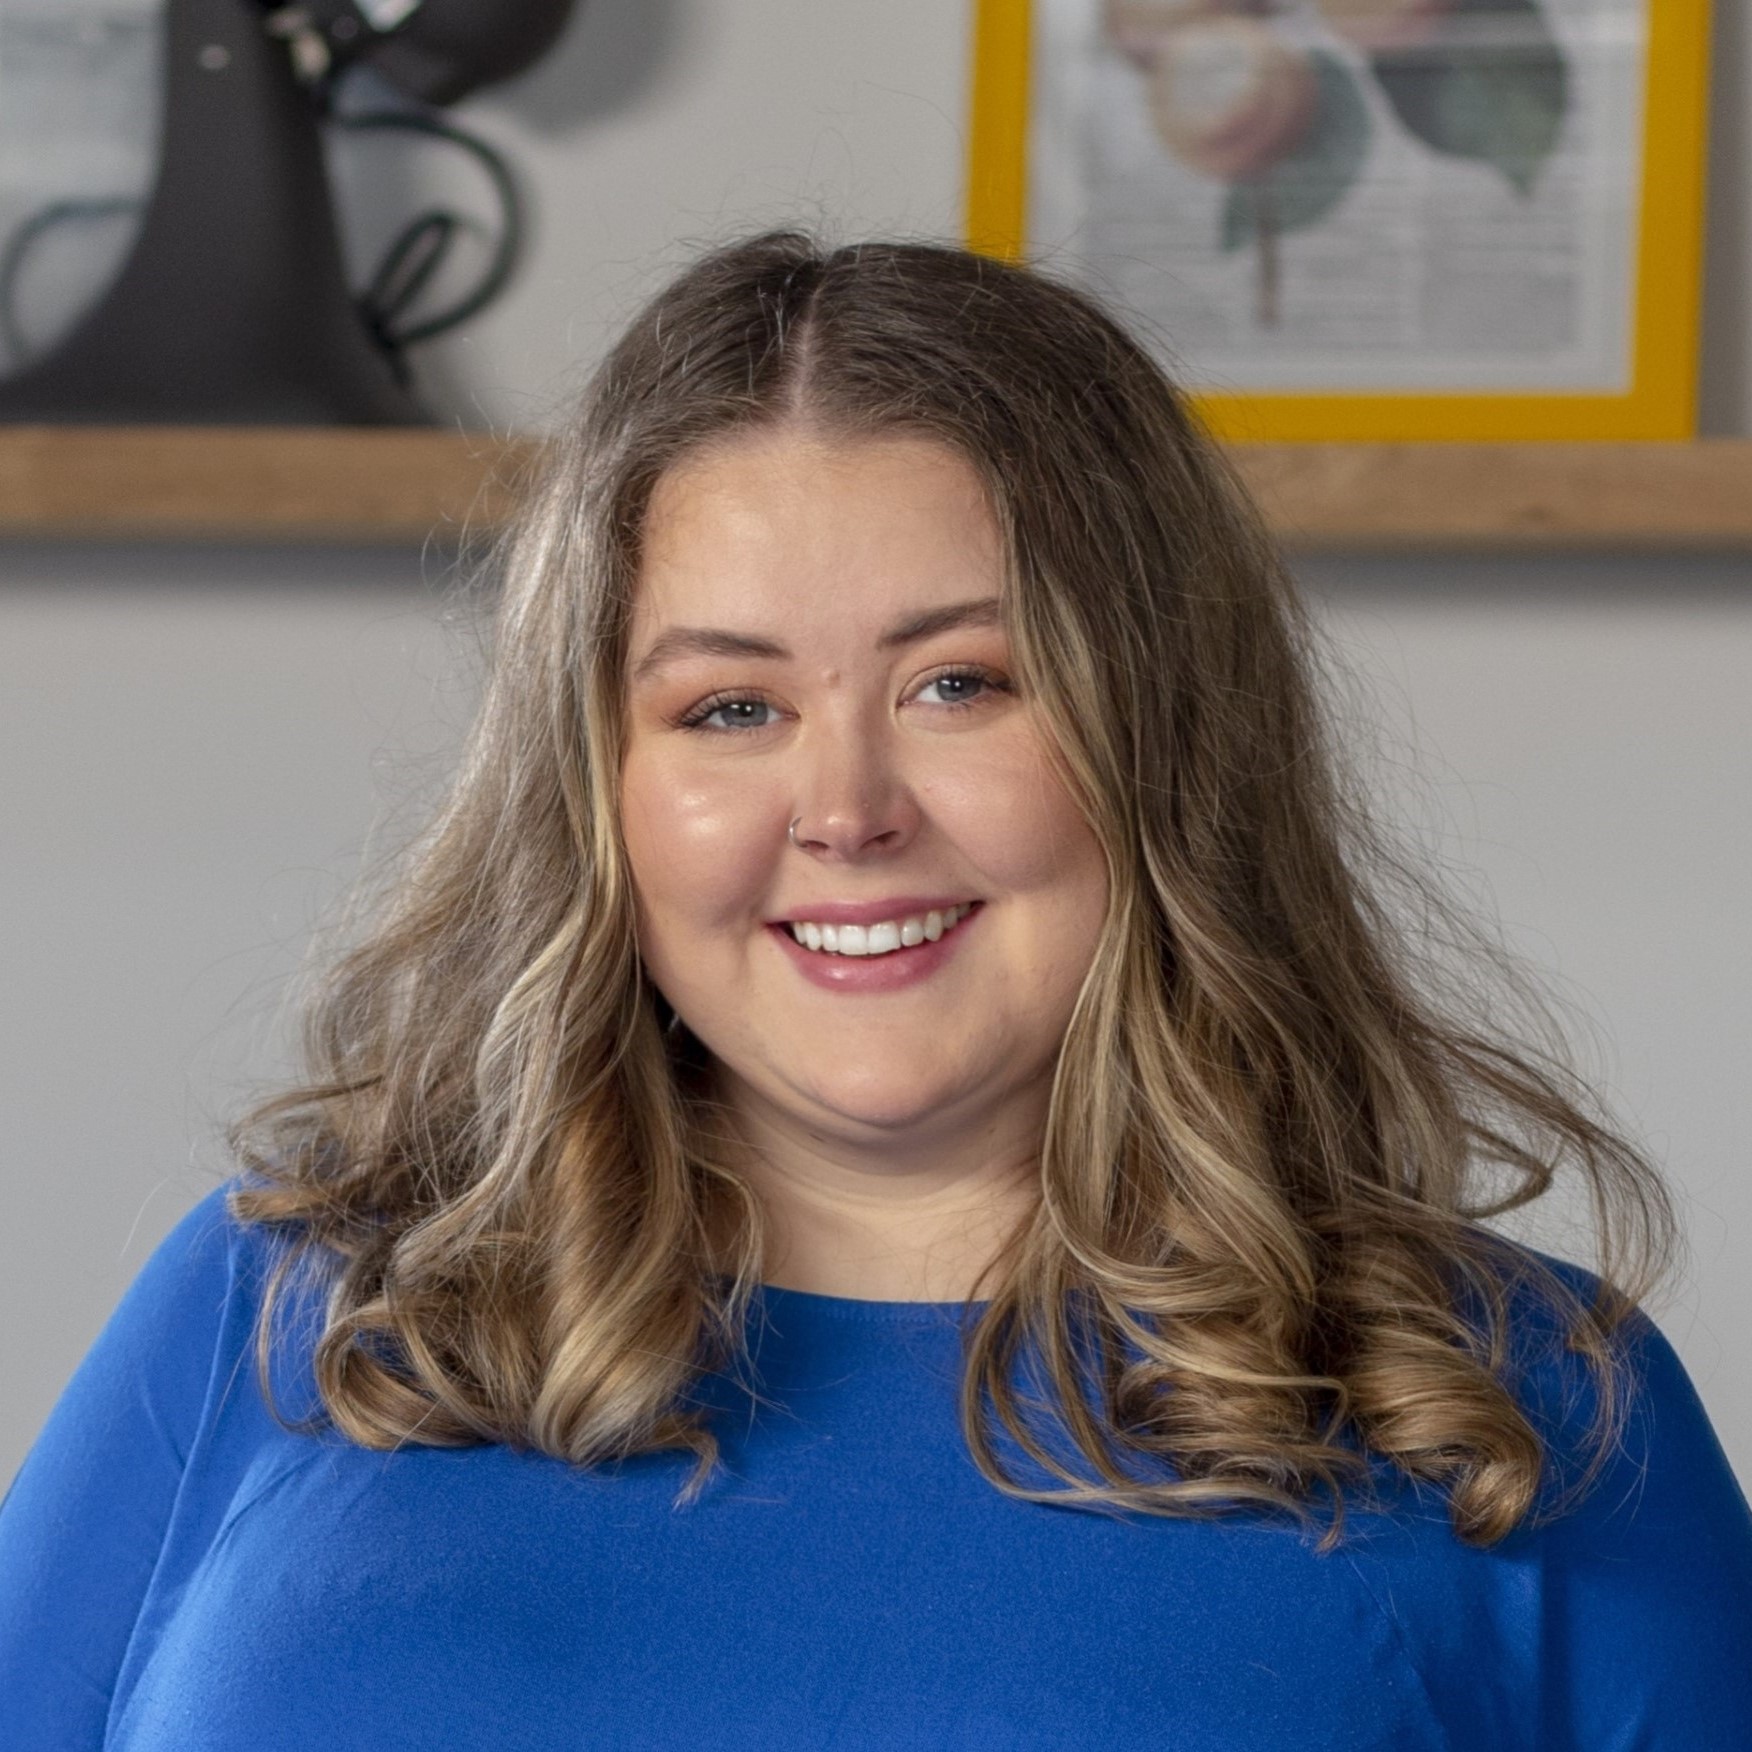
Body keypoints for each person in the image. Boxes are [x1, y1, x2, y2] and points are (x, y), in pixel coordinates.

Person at [2, 228, 1750, 1749]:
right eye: (729, 708)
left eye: (961, 684)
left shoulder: (1515, 1407)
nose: (845, 810)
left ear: (1165, 739)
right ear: (596, 792)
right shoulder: (284, 1315)